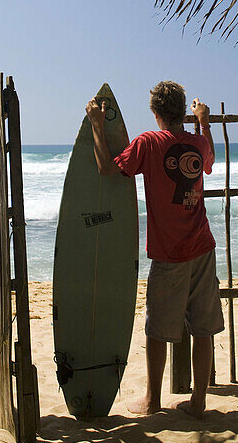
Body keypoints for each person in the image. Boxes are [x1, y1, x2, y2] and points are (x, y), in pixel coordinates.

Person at [87, 80, 223, 419]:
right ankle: (199, 403)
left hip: (169, 253)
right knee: (202, 328)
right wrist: (203, 121)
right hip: (203, 247)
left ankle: (152, 401)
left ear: (155, 112)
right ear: (181, 112)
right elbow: (210, 158)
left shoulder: (149, 143)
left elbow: (108, 169)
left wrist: (96, 126)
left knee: (158, 329)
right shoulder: (197, 143)